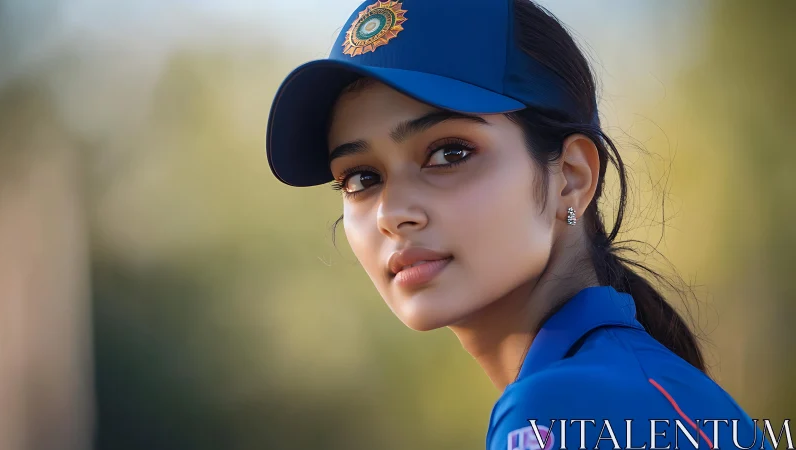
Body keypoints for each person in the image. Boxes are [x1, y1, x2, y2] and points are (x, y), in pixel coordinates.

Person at [265, 1, 774, 449]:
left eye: (449, 153)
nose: (391, 213)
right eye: (361, 178)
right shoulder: (627, 387)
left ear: (570, 178)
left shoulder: (561, 408)